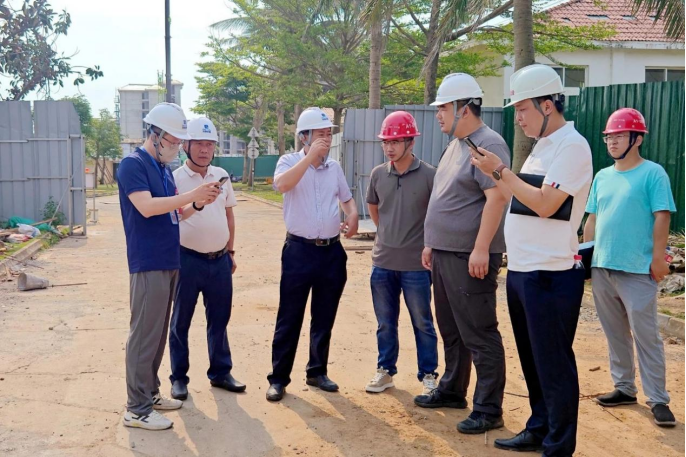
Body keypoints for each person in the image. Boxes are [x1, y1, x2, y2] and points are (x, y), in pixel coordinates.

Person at [470, 64, 593, 456]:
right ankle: (539, 428)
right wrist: (497, 174)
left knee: (554, 364)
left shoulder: (572, 146)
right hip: (524, 271)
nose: (518, 118)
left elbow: (545, 204)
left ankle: (559, 445)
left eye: (523, 109)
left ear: (547, 105)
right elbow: (520, 197)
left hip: (551, 273)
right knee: (533, 360)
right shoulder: (542, 147)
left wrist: (500, 170)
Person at [413, 73, 511, 435]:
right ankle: (453, 389)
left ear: (464, 108)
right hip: (445, 253)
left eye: (443, 108)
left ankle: (488, 408)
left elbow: (497, 197)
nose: (438, 114)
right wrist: (431, 242)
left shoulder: (489, 143)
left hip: (470, 256)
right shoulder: (456, 145)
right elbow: (446, 197)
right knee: (451, 328)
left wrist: (482, 248)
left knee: (479, 332)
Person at [117, 103, 221, 430]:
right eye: (173, 141)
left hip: (168, 260)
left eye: (179, 142)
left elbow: (175, 213)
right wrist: (191, 194)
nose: (177, 147)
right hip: (148, 261)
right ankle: (136, 409)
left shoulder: (162, 169)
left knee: (158, 334)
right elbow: (147, 207)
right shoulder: (133, 165)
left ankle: (150, 393)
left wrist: (198, 202)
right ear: (155, 134)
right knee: (143, 336)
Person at [583, 108, 677, 427]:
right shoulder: (602, 176)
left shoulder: (653, 174)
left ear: (637, 139)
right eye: (609, 137)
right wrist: (585, 258)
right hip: (602, 267)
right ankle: (624, 387)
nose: (612, 142)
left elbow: (662, 216)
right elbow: (592, 218)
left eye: (620, 136)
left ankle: (658, 399)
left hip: (638, 268)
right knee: (614, 332)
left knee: (646, 335)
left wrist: (658, 258)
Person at [266, 107, 359, 402]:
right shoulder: (289, 161)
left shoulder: (334, 168)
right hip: (299, 252)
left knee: (324, 316)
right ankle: (278, 378)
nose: (326, 139)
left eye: (328, 134)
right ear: (304, 137)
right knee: (289, 316)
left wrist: (352, 214)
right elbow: (281, 185)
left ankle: (317, 371)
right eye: (320, 134)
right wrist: (309, 158)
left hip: (331, 252)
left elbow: (346, 199)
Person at [168, 117, 246, 401]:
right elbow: (171, 218)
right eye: (199, 144)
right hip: (186, 261)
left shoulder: (221, 175)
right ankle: (179, 378)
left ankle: (221, 372)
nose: (204, 150)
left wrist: (231, 251)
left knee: (219, 319)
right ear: (186, 146)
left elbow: (229, 215)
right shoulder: (174, 178)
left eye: (210, 144)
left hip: (219, 260)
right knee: (181, 321)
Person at [364, 111, 440, 396]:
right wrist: (388, 236)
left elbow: (436, 215)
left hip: (416, 266)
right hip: (382, 263)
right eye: (386, 142)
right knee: (385, 323)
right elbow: (375, 209)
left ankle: (429, 374)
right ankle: (385, 371)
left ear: (411, 142)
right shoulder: (378, 174)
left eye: (395, 141)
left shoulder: (430, 175)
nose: (389, 147)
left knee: (422, 322)